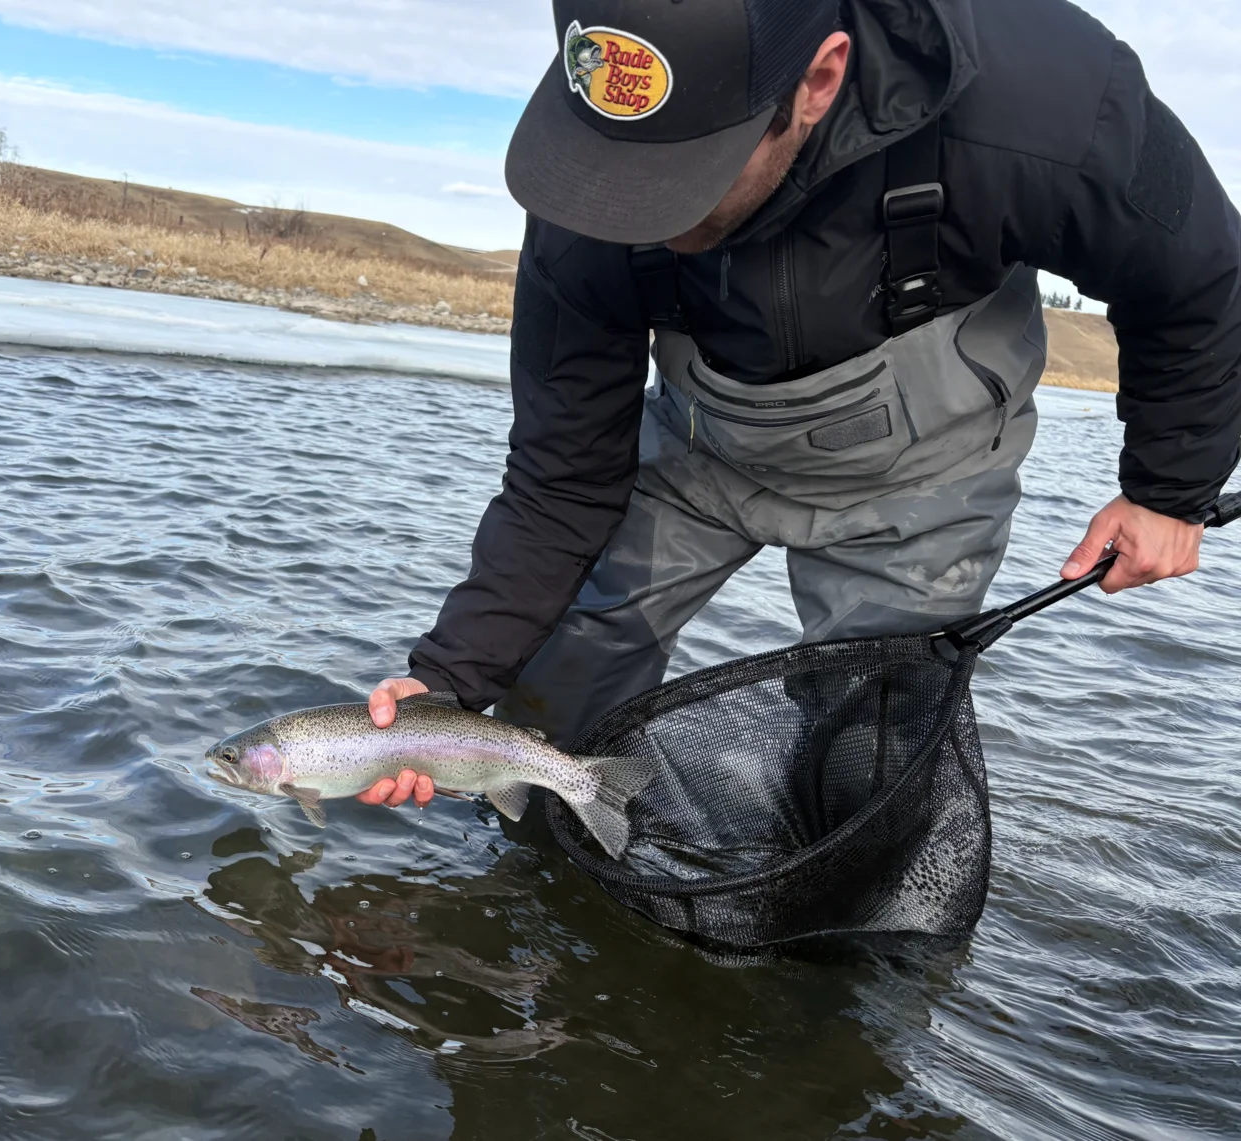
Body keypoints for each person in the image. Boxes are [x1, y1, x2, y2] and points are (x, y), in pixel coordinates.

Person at [357, 0, 1241, 810]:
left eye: (677, 177)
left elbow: (1201, 277)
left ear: (819, 80)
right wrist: (450, 680)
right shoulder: (590, 187)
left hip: (925, 477)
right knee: (556, 672)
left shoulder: (1046, 98)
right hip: (697, 451)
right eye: (615, 169)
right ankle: (545, 869)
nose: (624, 210)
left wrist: (1169, 486)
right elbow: (561, 474)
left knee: (870, 762)